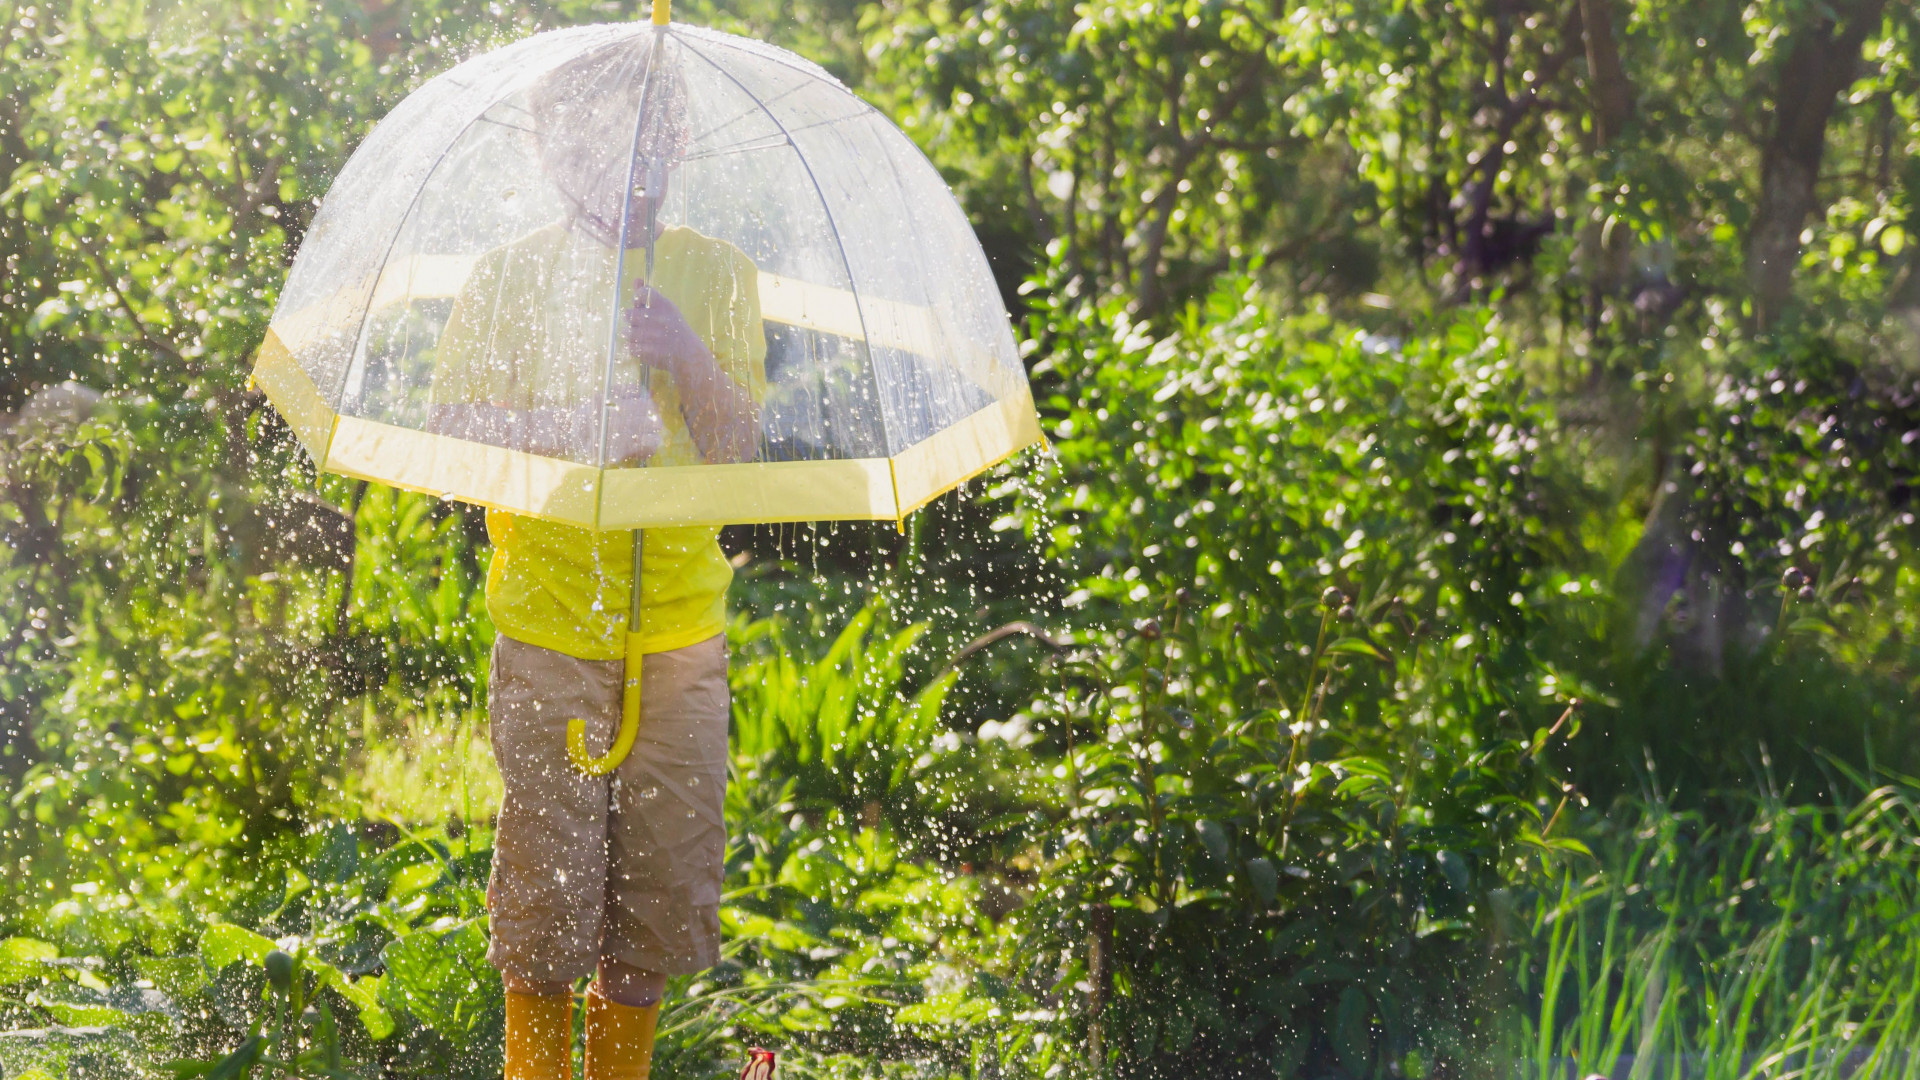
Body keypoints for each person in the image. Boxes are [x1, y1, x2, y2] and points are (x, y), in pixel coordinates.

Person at [428, 41, 763, 1080]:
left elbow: (741, 453)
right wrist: (565, 427)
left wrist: (688, 359)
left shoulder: (717, 274)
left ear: (678, 141)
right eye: (592, 140)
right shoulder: (511, 277)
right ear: (549, 151)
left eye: (643, 135)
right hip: (547, 629)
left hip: (679, 637)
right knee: (546, 896)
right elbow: (447, 430)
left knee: (655, 903)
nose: (621, 161)